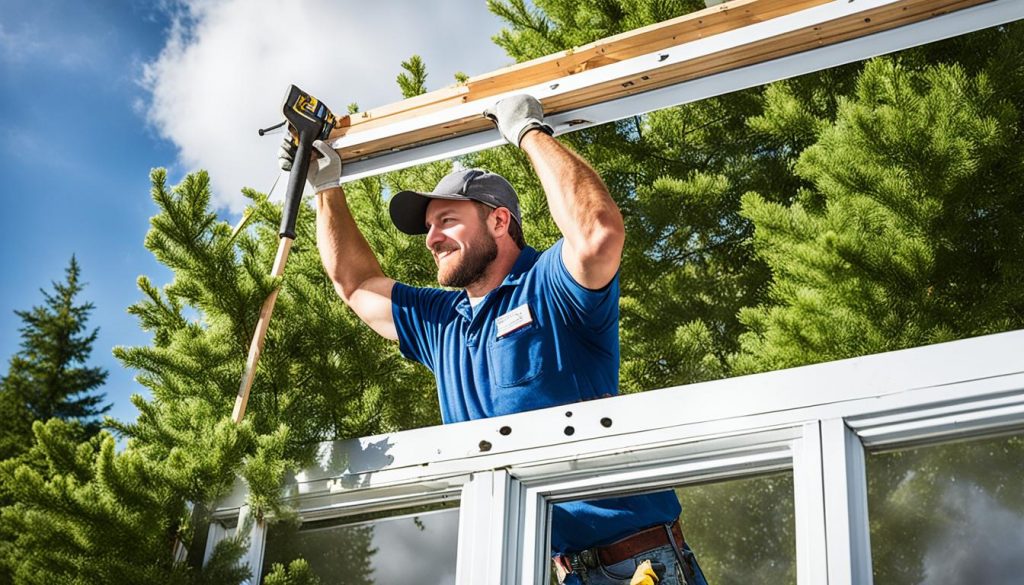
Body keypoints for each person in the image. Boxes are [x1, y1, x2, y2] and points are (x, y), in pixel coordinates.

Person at [280, 94, 708, 585]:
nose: (431, 239)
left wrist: (529, 132)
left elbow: (597, 234)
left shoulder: (550, 286)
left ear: (499, 221)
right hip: (548, 569)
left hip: (639, 566)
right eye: (428, 228)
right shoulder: (442, 322)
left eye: (446, 221)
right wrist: (325, 186)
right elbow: (356, 284)